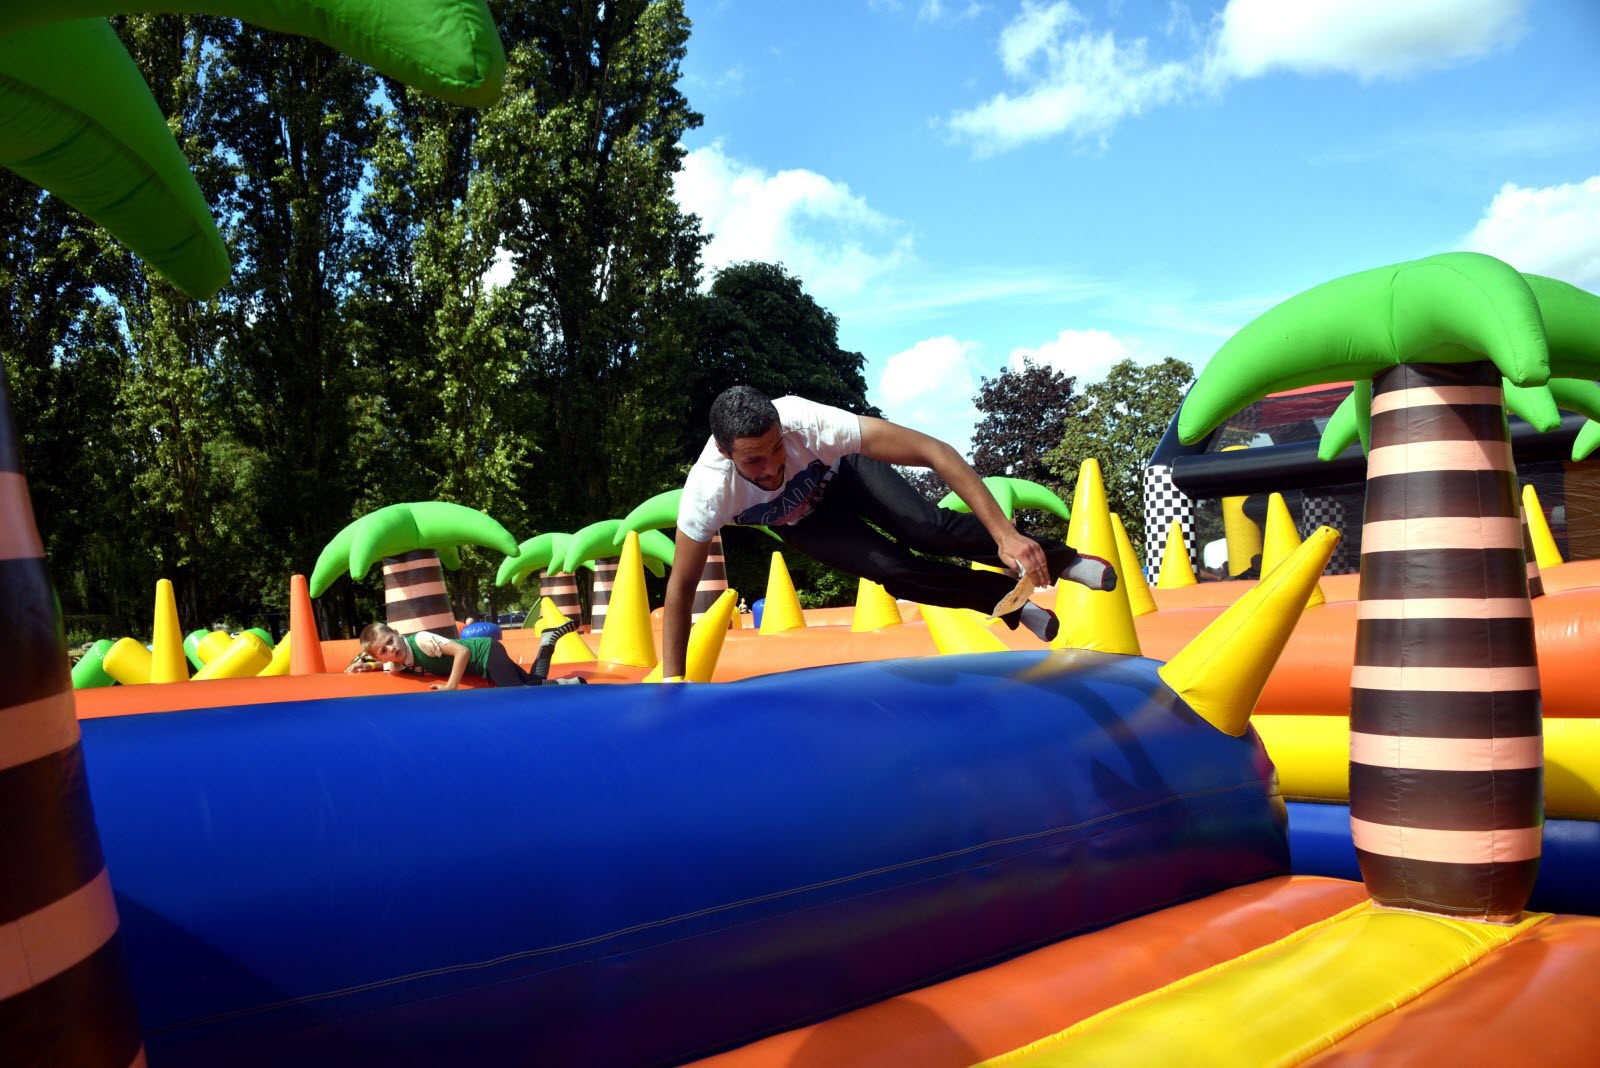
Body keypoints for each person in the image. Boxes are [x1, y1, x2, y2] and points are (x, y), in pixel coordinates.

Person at [660, 387, 1117, 680]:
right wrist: (673, 684)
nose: (774, 467)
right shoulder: (707, 491)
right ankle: (1008, 604)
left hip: (847, 474)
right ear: (724, 453)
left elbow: (934, 451)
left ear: (784, 429)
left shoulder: (808, 422)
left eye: (777, 449)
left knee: (930, 529)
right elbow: (680, 591)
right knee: (895, 572)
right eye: (754, 461)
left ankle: (1063, 560)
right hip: (804, 522)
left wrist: (1005, 534)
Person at [347, 619, 584, 689]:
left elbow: (461, 651)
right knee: (533, 683)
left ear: (398, 634)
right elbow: (386, 666)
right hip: (482, 660)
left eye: (390, 641)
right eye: (384, 651)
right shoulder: (397, 662)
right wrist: (368, 667)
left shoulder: (421, 640)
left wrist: (451, 686)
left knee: (518, 693)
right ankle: (550, 642)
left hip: (485, 652)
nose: (391, 649)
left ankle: (549, 642)